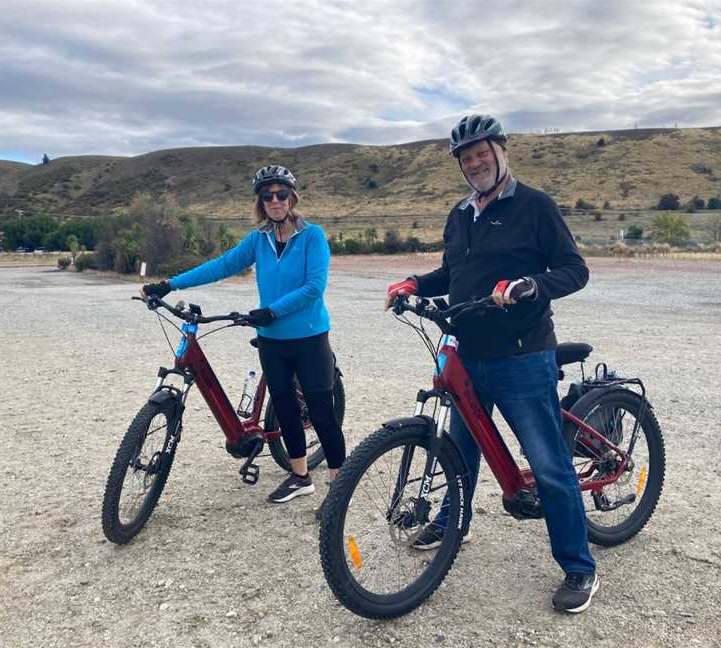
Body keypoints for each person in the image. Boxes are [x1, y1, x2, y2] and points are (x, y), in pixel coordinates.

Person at [384, 115, 598, 613]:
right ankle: (450, 521)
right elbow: (454, 271)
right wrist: (415, 283)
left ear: (502, 152)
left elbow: (574, 269)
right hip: (468, 354)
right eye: (466, 157)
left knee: (547, 462)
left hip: (522, 354)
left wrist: (530, 286)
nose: (475, 163)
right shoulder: (460, 214)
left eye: (482, 152)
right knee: (461, 450)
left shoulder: (534, 206)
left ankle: (579, 566)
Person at [141, 164, 344, 507]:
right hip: (272, 340)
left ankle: (339, 491)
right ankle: (299, 477)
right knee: (285, 407)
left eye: (281, 194)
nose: (275, 200)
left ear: (292, 197)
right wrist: (169, 284)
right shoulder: (259, 240)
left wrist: (273, 310)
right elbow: (221, 265)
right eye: (268, 196)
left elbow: (314, 287)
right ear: (261, 202)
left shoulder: (312, 236)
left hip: (309, 338)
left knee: (321, 412)